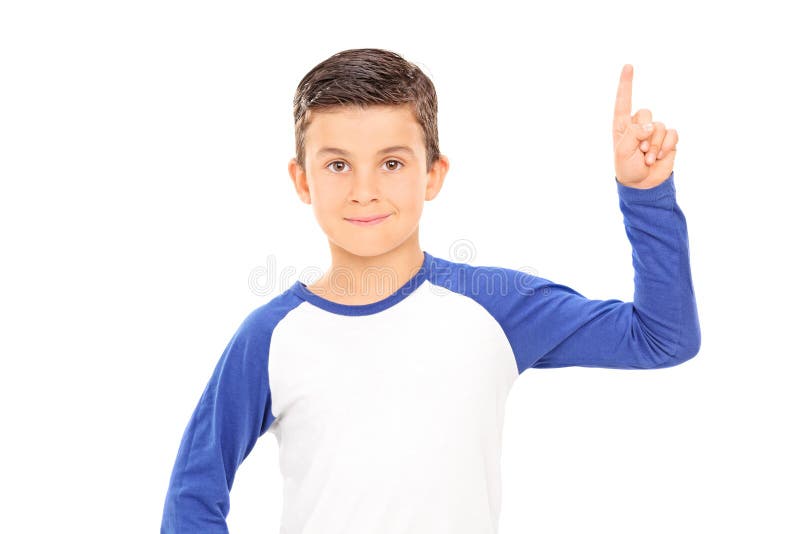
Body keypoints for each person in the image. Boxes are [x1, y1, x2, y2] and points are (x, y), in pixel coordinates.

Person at [159, 48, 701, 534]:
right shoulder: (270, 337)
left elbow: (661, 338)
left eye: (392, 163)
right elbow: (193, 495)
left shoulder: (495, 306)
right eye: (338, 165)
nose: (364, 190)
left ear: (433, 174)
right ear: (303, 180)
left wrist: (645, 195)